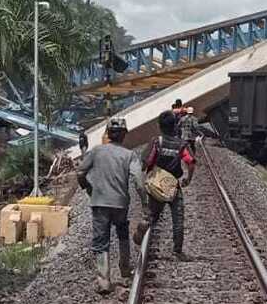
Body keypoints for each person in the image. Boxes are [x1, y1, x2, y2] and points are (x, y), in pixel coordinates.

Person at [78, 117, 145, 292]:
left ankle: (104, 280)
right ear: (124, 135)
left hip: (99, 202)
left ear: (108, 134)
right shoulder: (130, 155)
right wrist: (145, 202)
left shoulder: (96, 151)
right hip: (120, 203)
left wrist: (87, 187)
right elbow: (138, 180)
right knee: (122, 233)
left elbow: (80, 171)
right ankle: (125, 269)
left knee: (101, 241)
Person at [140, 110, 196, 260]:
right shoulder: (181, 144)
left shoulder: (156, 142)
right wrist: (188, 179)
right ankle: (177, 251)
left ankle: (143, 231)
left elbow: (146, 162)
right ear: (175, 126)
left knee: (152, 215)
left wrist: (146, 171)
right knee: (178, 218)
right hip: (172, 186)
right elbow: (191, 162)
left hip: (155, 184)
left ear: (159, 126)